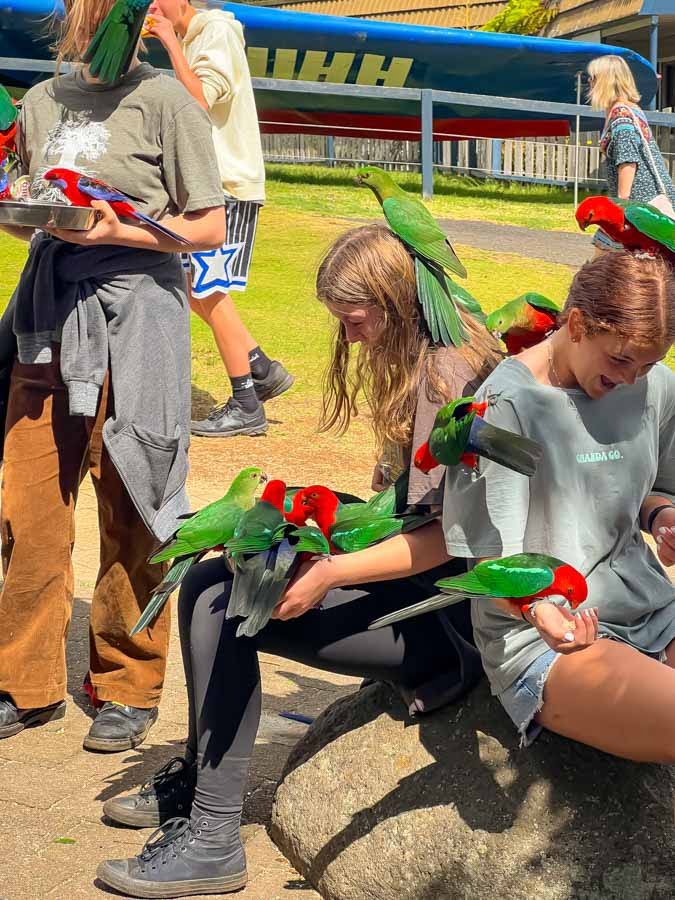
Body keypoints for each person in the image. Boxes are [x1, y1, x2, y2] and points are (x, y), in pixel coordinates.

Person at [96, 224, 502, 897]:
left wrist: (329, 573)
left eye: (353, 319)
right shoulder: (424, 355)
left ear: (395, 301)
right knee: (210, 575)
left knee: (229, 608)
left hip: (446, 626)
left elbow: (453, 541)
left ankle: (213, 838)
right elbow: (404, 509)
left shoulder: (444, 376)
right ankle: (202, 779)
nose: (346, 337)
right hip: (412, 588)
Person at [0, 0, 225, 752]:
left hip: (138, 320)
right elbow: (26, 197)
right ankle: (24, 684)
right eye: (85, 19)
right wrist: (21, 210)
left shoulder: (165, 100)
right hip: (49, 314)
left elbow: (208, 225)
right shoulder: (41, 100)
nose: (98, 34)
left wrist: (117, 229)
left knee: (134, 497)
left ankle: (127, 681)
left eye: (111, 18)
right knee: (30, 509)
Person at [442, 251, 675, 757]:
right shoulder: (505, 408)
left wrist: (661, 517)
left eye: (650, 364)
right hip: (549, 638)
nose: (633, 379)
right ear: (575, 324)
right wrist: (536, 609)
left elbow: (654, 489)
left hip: (653, 609)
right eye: (620, 360)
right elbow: (492, 566)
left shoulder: (654, 386)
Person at [145, 0, 294, 438]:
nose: (152, 6)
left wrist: (170, 43)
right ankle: (259, 368)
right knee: (199, 288)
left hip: (226, 186)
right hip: (209, 185)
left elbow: (198, 100)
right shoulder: (197, 37)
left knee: (207, 289)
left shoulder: (216, 32)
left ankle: (247, 401)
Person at [587, 54, 675, 252]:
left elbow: (628, 161)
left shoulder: (622, 118)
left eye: (593, 78)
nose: (589, 83)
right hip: (645, 204)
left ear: (605, 82)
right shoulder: (629, 111)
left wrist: (621, 204)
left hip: (640, 206)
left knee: (605, 259)